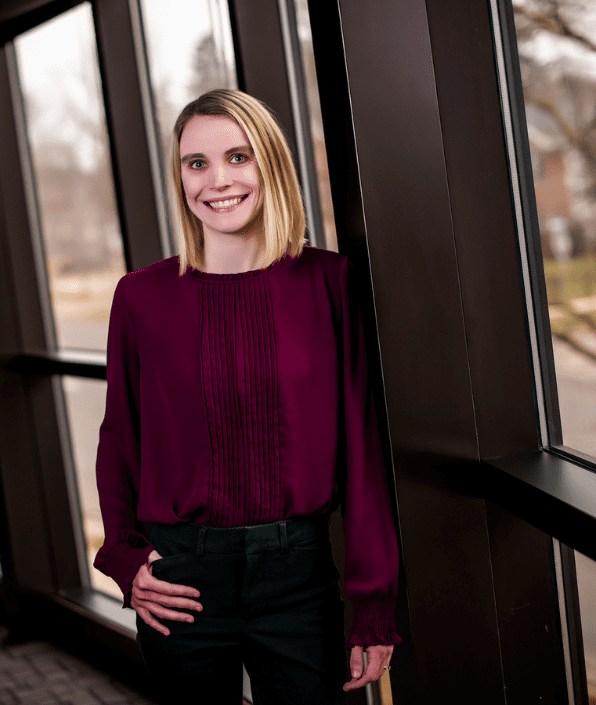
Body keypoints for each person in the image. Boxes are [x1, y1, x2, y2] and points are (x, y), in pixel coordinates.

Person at [93, 88, 400, 705]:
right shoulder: (140, 297)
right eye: (196, 163)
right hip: (181, 576)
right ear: (179, 177)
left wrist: (373, 603)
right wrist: (127, 558)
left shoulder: (331, 283)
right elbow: (120, 438)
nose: (217, 180)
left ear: (271, 166)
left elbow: (363, 451)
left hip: (298, 576)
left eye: (239, 157)